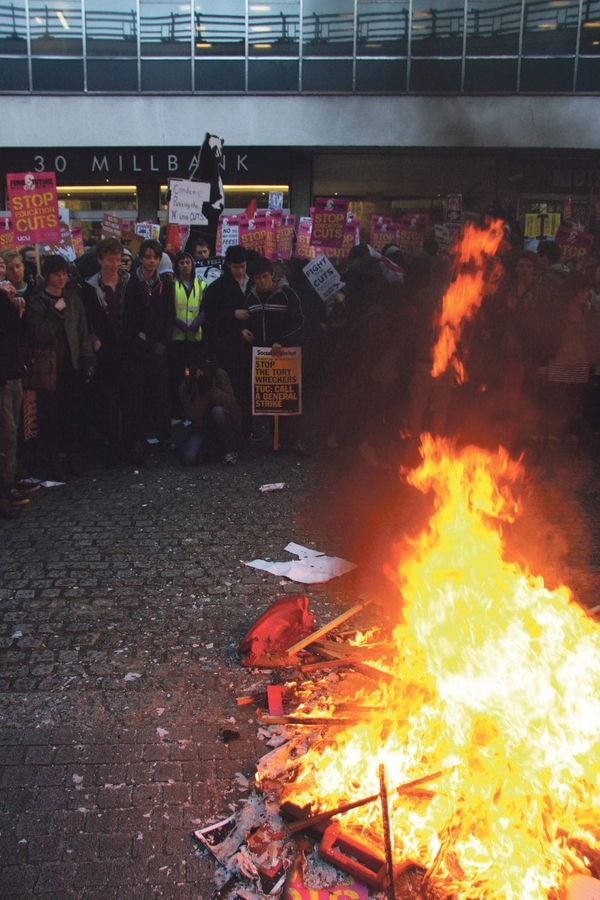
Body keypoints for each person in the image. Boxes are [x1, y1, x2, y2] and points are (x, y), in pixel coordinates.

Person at [27, 255, 95, 479]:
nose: (61, 278)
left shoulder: (73, 299)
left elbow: (82, 331)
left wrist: (87, 358)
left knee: (73, 415)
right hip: (50, 368)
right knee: (52, 416)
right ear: (48, 276)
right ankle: (54, 460)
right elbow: (39, 335)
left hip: (71, 365)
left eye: (64, 274)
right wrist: (55, 313)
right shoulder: (37, 301)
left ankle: (73, 457)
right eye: (57, 274)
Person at [122, 239, 175, 465]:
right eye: (147, 256)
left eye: (155, 257)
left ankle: (164, 437)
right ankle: (138, 439)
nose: (151, 260)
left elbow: (170, 315)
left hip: (159, 348)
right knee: (137, 395)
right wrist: (138, 337)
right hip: (138, 348)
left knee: (161, 394)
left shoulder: (165, 283)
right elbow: (129, 316)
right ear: (140, 258)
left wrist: (163, 340)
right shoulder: (133, 283)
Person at [79, 237, 129, 466]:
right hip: (104, 350)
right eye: (110, 260)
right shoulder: (89, 288)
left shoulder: (128, 282)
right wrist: (93, 339)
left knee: (128, 398)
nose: (114, 264)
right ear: (100, 260)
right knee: (107, 400)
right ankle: (113, 445)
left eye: (118, 260)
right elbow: (86, 319)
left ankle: (129, 444)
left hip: (126, 348)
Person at [203, 245, 253, 435]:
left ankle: (247, 427)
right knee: (232, 389)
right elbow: (211, 316)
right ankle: (231, 428)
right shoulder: (217, 287)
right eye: (235, 267)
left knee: (248, 389)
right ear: (228, 265)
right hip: (228, 348)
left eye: (243, 266)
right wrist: (233, 315)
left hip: (251, 344)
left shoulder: (253, 283)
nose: (240, 271)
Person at [178, 361, 241, 465]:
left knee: (218, 412)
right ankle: (210, 448)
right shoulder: (185, 386)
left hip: (224, 422)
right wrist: (202, 393)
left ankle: (229, 449)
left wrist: (211, 389)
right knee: (189, 458)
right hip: (201, 426)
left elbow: (231, 404)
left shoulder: (219, 374)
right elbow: (192, 416)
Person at [169, 251, 206, 421]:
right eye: (182, 262)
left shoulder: (201, 284)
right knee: (176, 375)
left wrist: (196, 323)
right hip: (177, 337)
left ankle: (194, 411)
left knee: (194, 375)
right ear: (176, 265)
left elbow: (205, 308)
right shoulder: (171, 285)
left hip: (195, 337)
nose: (185, 265)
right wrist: (181, 324)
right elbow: (169, 309)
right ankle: (177, 411)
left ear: (193, 265)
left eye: (188, 262)